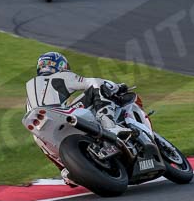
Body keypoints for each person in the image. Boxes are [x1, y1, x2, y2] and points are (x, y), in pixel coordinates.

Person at [25, 52, 131, 185]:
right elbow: (92, 82)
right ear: (61, 66)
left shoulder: (29, 96)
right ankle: (110, 126)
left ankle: (65, 169)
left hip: (41, 127)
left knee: (38, 137)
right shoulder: (62, 76)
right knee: (96, 87)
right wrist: (116, 86)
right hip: (60, 115)